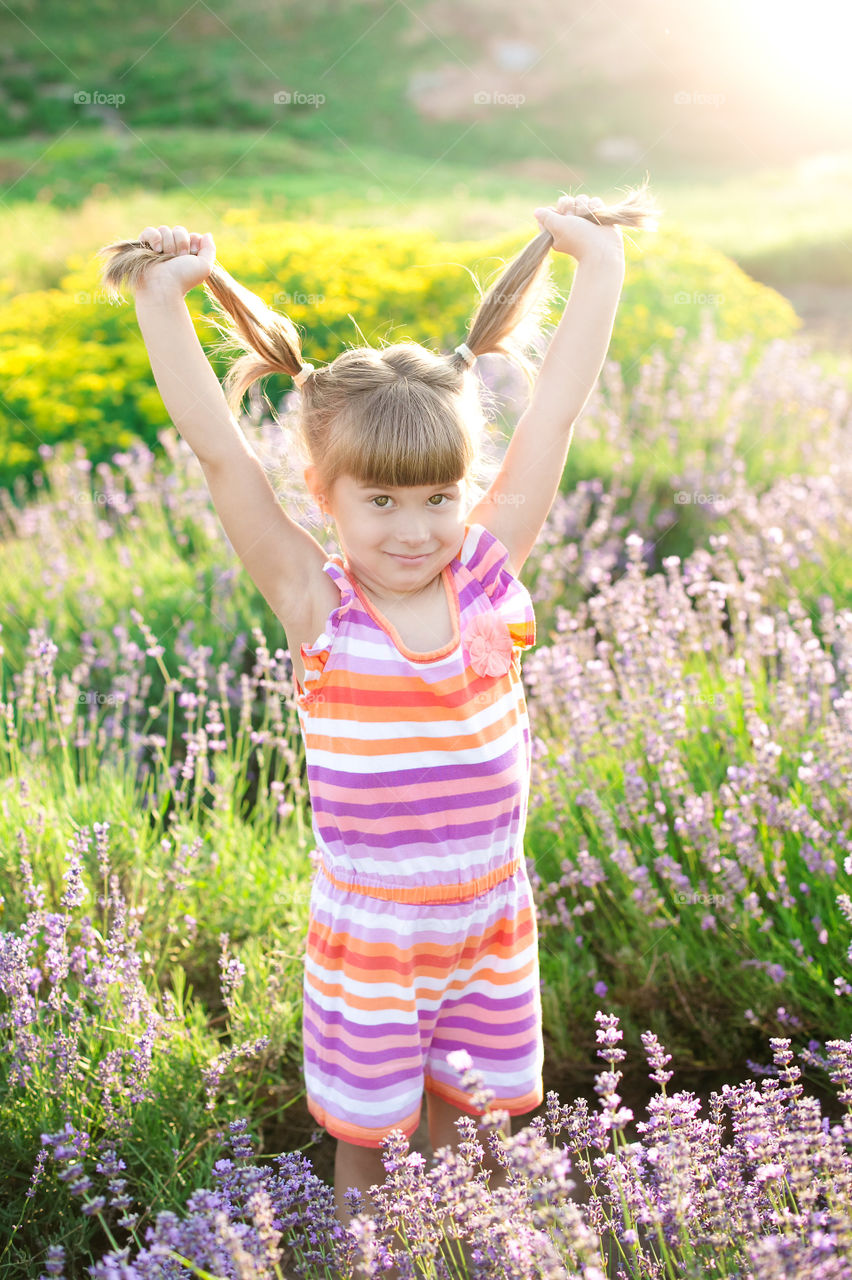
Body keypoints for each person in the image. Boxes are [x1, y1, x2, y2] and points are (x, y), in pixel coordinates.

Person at [99, 184, 659, 1218]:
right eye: (383, 499)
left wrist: (600, 264)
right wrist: (162, 300)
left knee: (477, 1135)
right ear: (326, 495)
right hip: (375, 933)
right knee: (373, 1144)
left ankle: (468, 1250)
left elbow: (558, 409)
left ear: (466, 486)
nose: (416, 527)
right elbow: (221, 452)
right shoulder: (318, 602)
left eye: (439, 496)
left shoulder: (487, 573)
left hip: (490, 915)